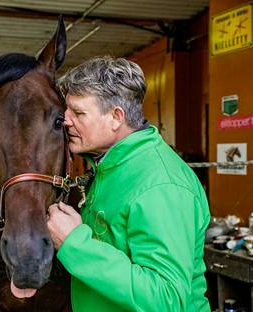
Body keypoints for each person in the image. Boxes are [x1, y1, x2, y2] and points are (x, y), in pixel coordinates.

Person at [46, 56, 211, 312]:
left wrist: (74, 243)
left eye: (78, 113)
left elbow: (167, 299)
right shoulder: (111, 166)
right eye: (67, 111)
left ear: (115, 117)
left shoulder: (160, 185)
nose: (65, 121)